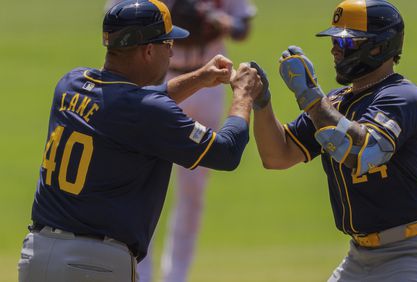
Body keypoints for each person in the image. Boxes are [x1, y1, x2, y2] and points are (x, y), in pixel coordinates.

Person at [17, 1, 262, 281]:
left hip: (36, 257)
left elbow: (137, 107)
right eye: (168, 43)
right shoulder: (143, 111)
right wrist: (243, 96)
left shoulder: (70, 84)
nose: (172, 51)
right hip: (93, 267)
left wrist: (199, 78)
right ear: (148, 50)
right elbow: (226, 152)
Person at [251, 0, 417, 281]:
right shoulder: (334, 103)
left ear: (380, 46)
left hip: (412, 254)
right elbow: (277, 155)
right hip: (359, 257)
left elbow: (365, 154)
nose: (335, 49)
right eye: (334, 40)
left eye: (347, 42)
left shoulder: (401, 98)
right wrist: (262, 103)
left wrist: (310, 98)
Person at [104, 0, 255, 280]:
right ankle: (141, 273)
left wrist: (214, 18)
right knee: (141, 182)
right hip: (152, 79)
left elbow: (241, 27)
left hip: (208, 80)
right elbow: (117, 22)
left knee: (192, 194)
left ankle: (177, 276)